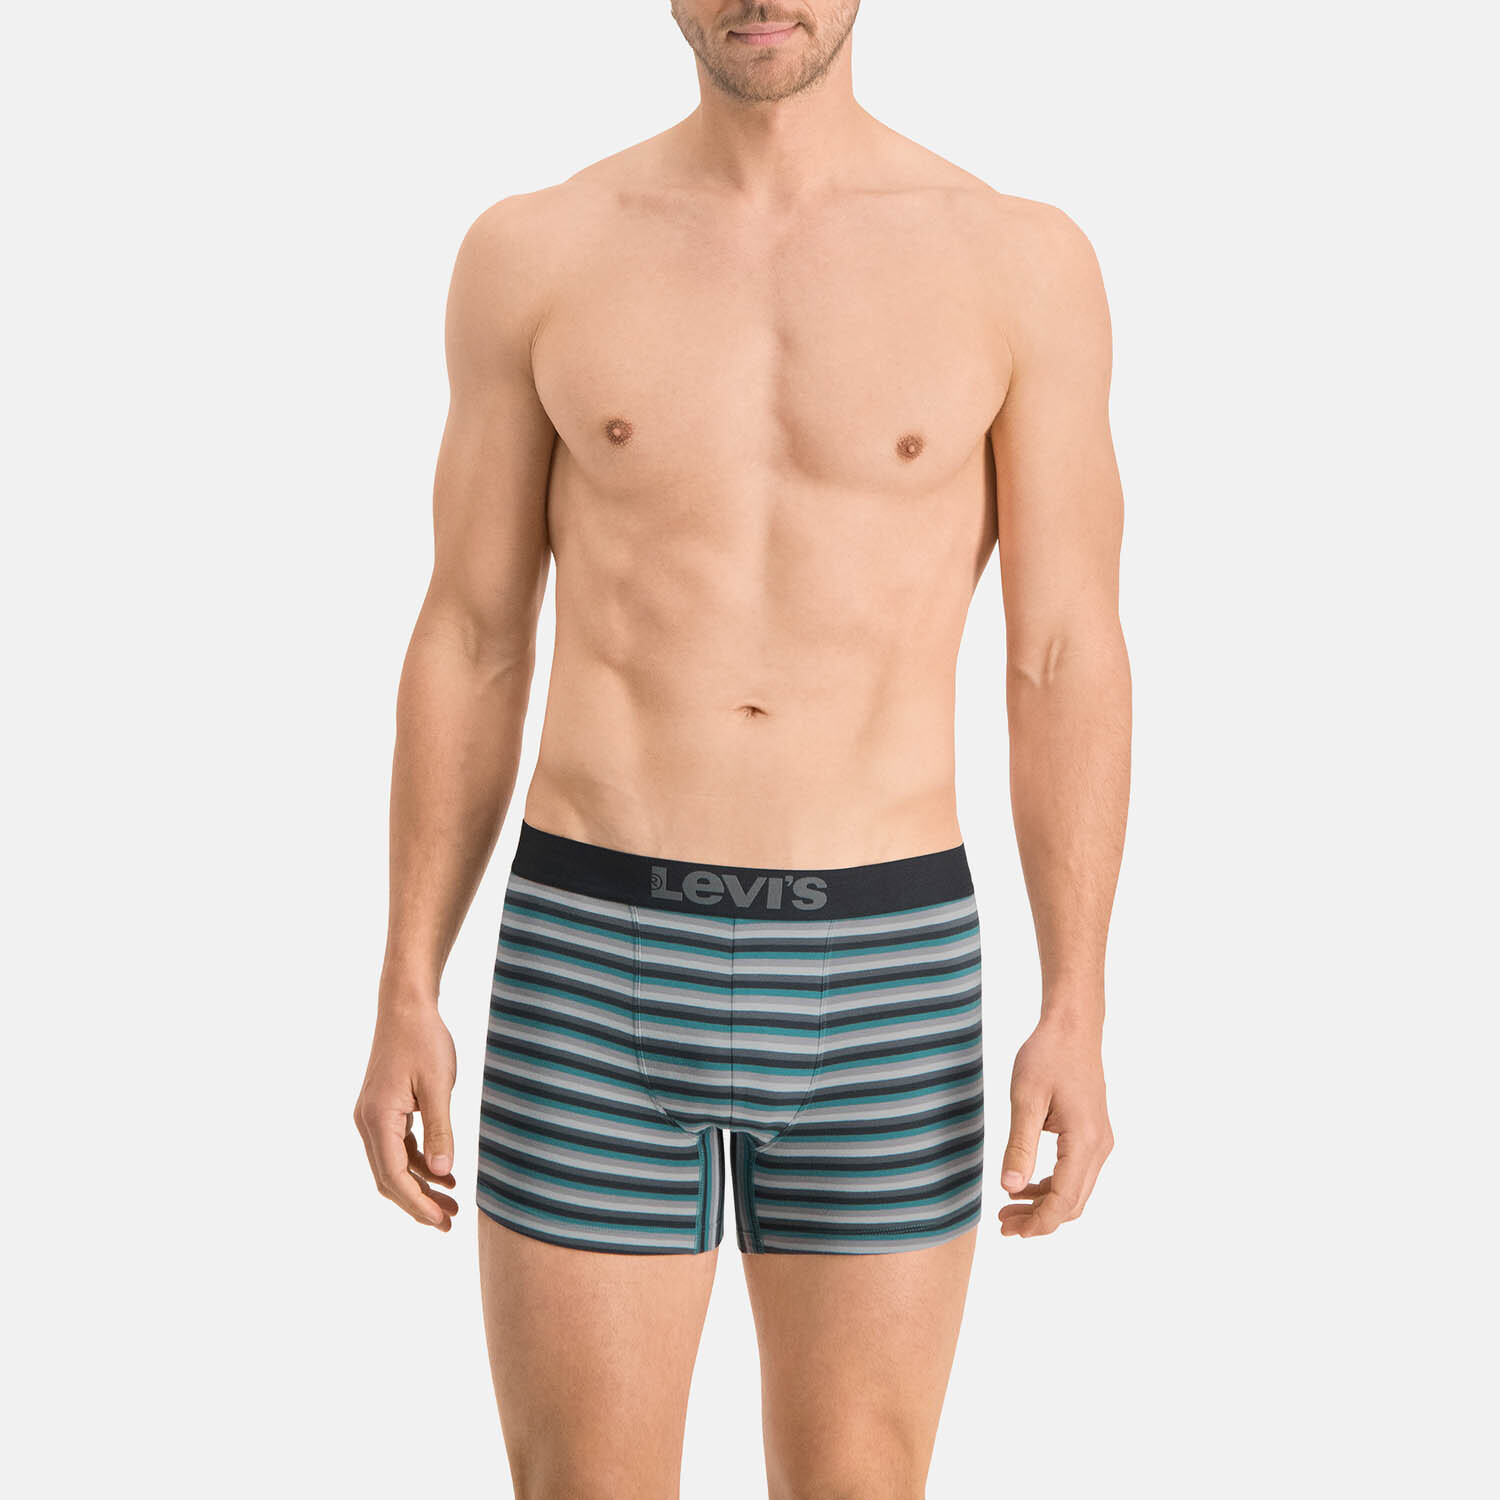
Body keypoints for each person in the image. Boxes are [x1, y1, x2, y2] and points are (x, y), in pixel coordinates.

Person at [354, 3, 1130, 1494]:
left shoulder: (1018, 263)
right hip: (589, 954)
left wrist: (1077, 1002)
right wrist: (406, 981)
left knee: (860, 1481)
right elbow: (471, 633)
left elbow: (1063, 653)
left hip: (887, 965)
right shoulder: (538, 251)